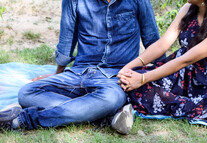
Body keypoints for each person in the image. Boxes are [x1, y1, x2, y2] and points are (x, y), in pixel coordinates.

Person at [0, 0, 163, 133]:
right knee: (26, 92)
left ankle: (23, 119)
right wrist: (58, 74)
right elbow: (66, 39)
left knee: (110, 99)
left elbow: (152, 41)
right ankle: (101, 115)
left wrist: (162, 79)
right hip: (79, 72)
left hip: (115, 78)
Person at [117, 0, 207, 131]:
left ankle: (177, 105)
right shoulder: (188, 9)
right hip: (182, 75)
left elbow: (186, 59)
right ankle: (193, 107)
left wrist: (142, 79)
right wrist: (127, 69)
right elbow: (161, 45)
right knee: (132, 80)